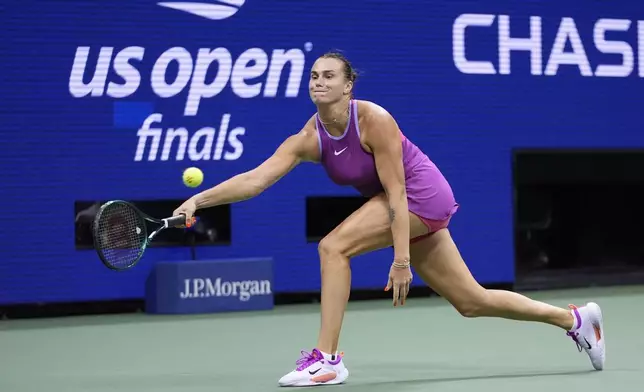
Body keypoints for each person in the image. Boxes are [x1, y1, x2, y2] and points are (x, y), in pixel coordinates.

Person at [172, 52, 606, 387]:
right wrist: (199, 200)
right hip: (399, 206)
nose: (319, 82)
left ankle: (327, 360)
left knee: (332, 247)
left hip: (422, 195)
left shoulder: (373, 120)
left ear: (348, 86)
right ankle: (575, 320)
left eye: (329, 76)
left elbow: (397, 192)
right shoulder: (308, 138)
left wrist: (401, 259)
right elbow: (254, 180)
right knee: (471, 301)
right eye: (314, 76)